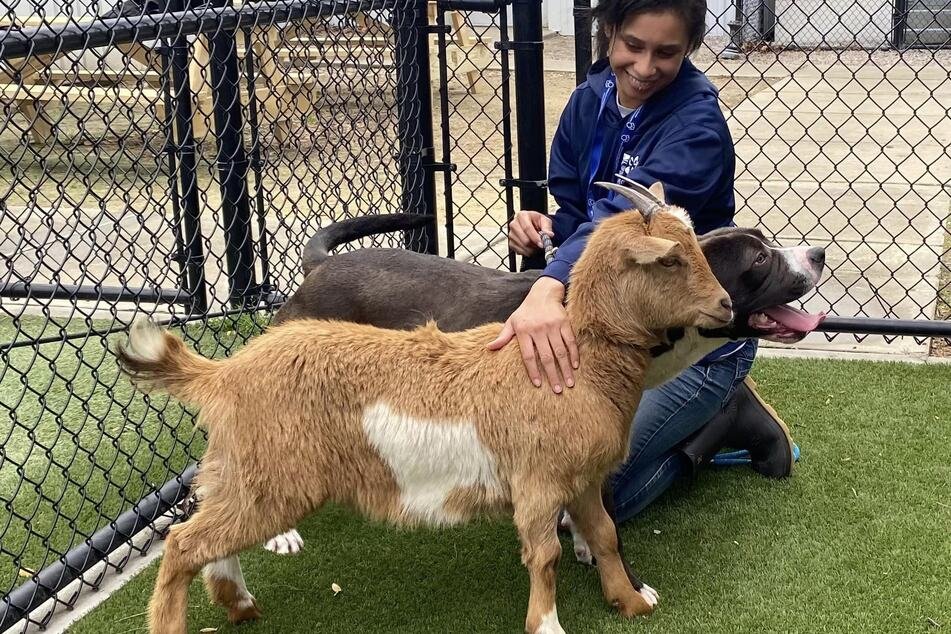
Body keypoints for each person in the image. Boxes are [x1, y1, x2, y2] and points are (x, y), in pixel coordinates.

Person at [487, 0, 797, 524]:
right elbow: (576, 208)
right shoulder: (589, 100)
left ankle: (727, 415)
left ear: (690, 50)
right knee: (547, 476)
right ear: (609, 32)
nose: (646, 67)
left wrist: (547, 287)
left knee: (588, 506)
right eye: (633, 45)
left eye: (666, 53)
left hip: (691, 345)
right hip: (615, 330)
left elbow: (621, 220)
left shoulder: (696, 126)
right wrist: (544, 226)